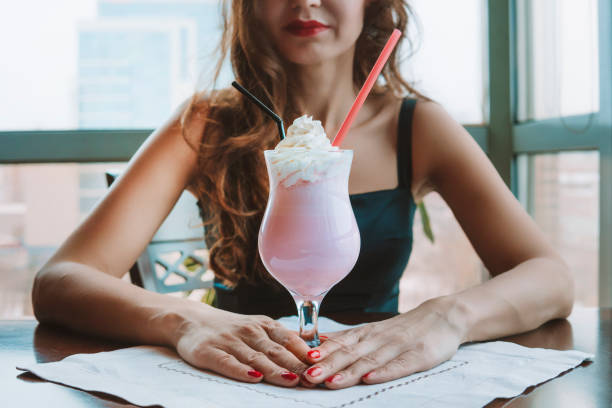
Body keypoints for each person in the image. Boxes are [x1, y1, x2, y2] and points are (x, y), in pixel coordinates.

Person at [32, 0, 574, 391]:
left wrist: (447, 317)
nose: (305, 1)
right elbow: (61, 281)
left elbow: (549, 277)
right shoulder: (207, 123)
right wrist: (185, 320)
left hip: (376, 385)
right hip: (230, 386)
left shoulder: (416, 127)